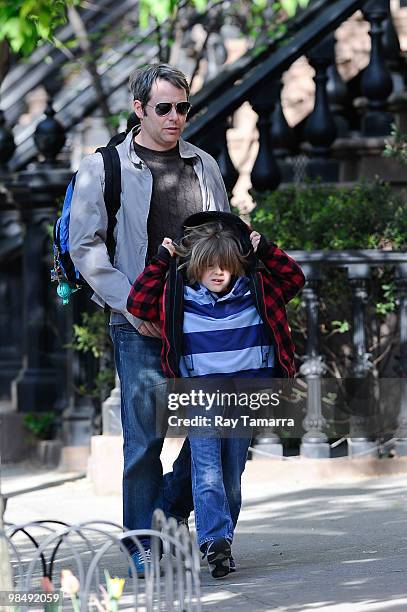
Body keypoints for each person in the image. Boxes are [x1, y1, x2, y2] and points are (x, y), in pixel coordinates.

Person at [69, 64, 230, 576]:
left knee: (224, 426)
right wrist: (131, 307)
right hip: (136, 321)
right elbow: (85, 246)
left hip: (200, 319)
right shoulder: (104, 167)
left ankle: (167, 512)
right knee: (145, 440)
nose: (176, 117)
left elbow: (221, 241)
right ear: (139, 109)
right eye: (164, 108)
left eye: (183, 108)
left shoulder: (203, 165)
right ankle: (141, 544)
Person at [127, 211, 305, 577]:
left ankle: (211, 535)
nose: (218, 273)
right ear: (195, 267)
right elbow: (137, 304)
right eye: (209, 266)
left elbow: (294, 278)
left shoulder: (258, 291)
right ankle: (215, 542)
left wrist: (265, 249)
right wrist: (163, 260)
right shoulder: (180, 297)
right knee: (206, 470)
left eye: (225, 265)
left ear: (237, 263)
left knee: (231, 473)